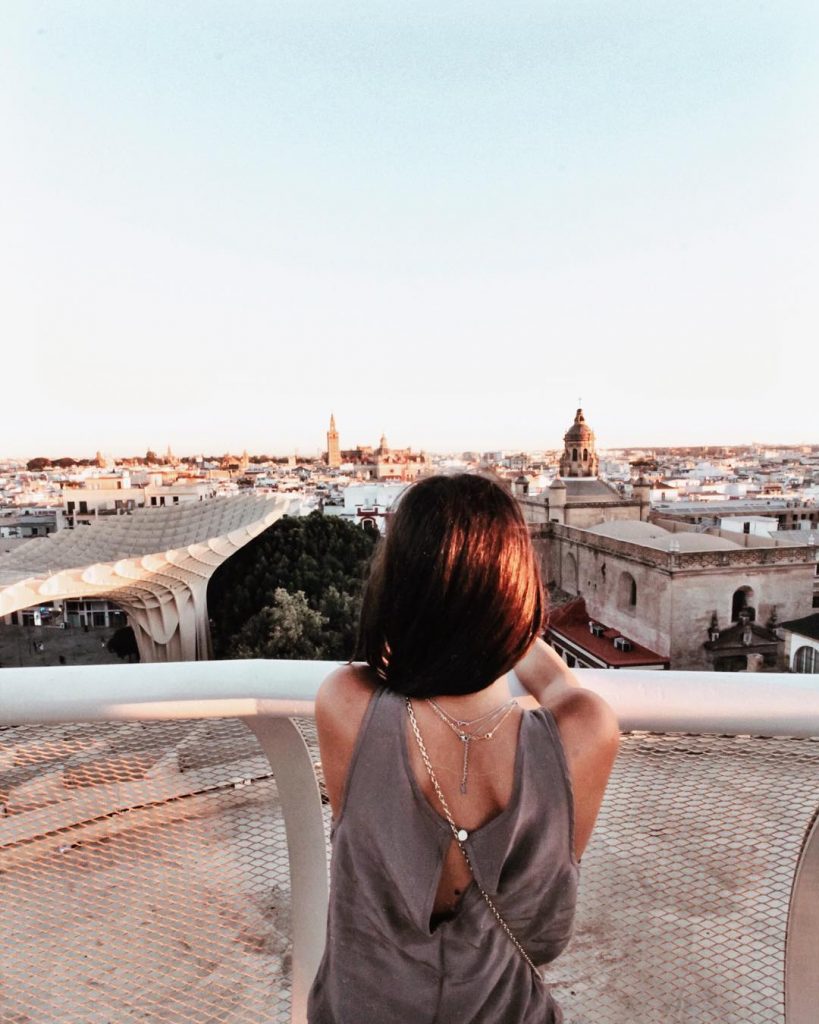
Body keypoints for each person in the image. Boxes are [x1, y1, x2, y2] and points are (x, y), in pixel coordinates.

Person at [308, 474, 619, 1024]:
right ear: (518, 593)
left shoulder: (346, 705)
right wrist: (511, 628)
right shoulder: (585, 735)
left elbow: (385, 663)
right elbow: (561, 688)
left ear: (398, 594)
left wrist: (425, 624)